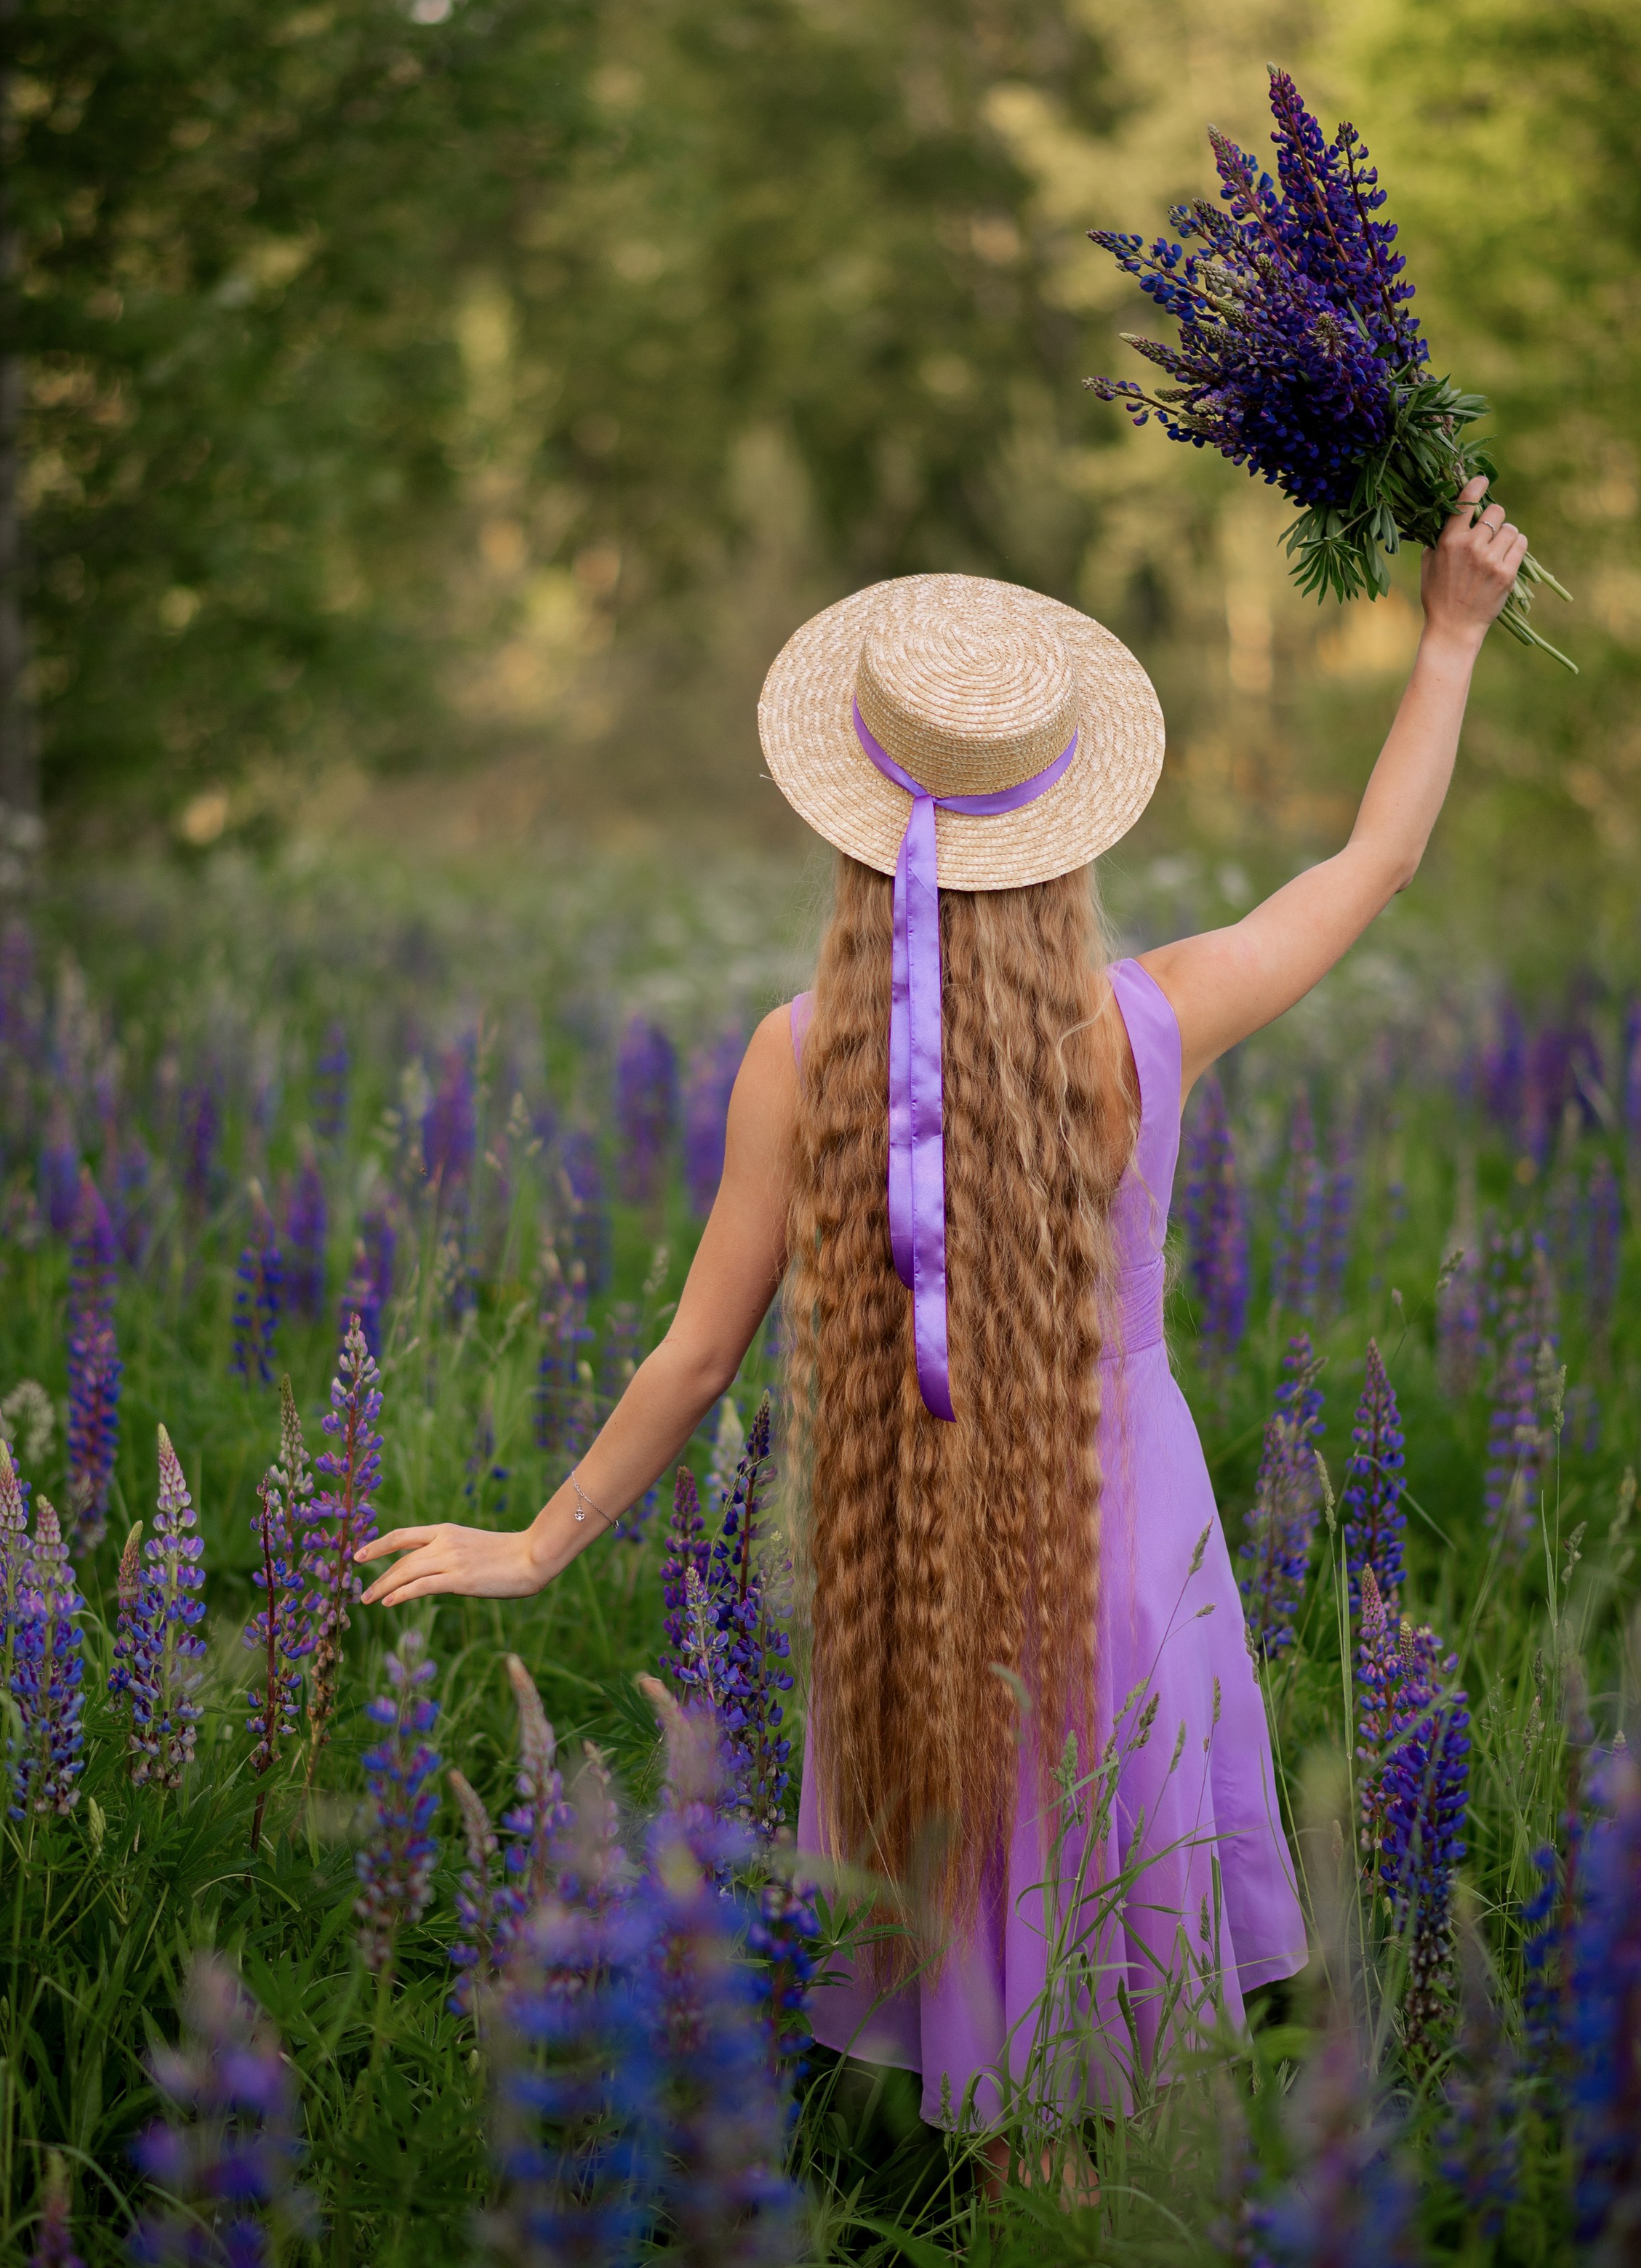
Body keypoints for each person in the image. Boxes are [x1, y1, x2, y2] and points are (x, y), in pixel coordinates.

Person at [358, 480, 1528, 2133]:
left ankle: (1004, 2243)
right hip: (1137, 1550)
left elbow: (699, 1352)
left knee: (999, 1969)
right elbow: (1378, 859)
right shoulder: (1150, 1023)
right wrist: (1450, 634)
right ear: (1071, 825)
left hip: (913, 1569)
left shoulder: (800, 1052)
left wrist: (539, 1541)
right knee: (1132, 1974)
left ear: (851, 824)